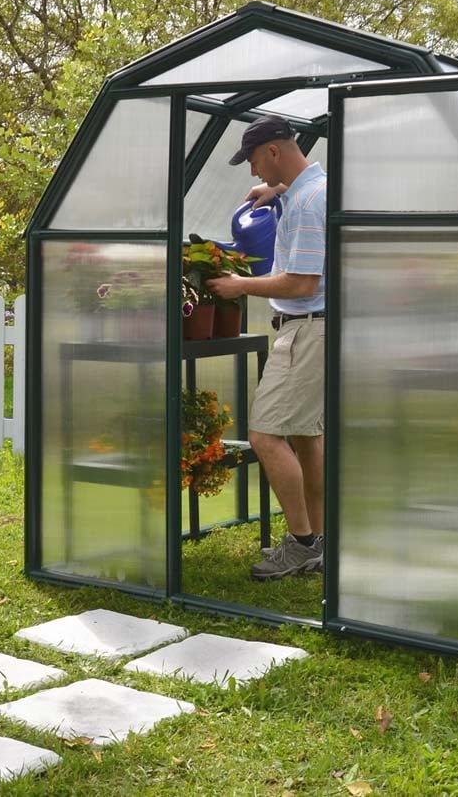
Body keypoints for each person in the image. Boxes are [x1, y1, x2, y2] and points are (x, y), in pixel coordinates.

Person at [207, 115, 326, 581]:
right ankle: (319, 539)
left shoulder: (308, 203)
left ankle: (301, 543)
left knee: (264, 436)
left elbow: (300, 283)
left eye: (255, 161)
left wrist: (239, 285)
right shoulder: (313, 189)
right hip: (316, 328)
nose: (254, 172)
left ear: (274, 151)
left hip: (306, 329)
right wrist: (276, 190)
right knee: (306, 437)